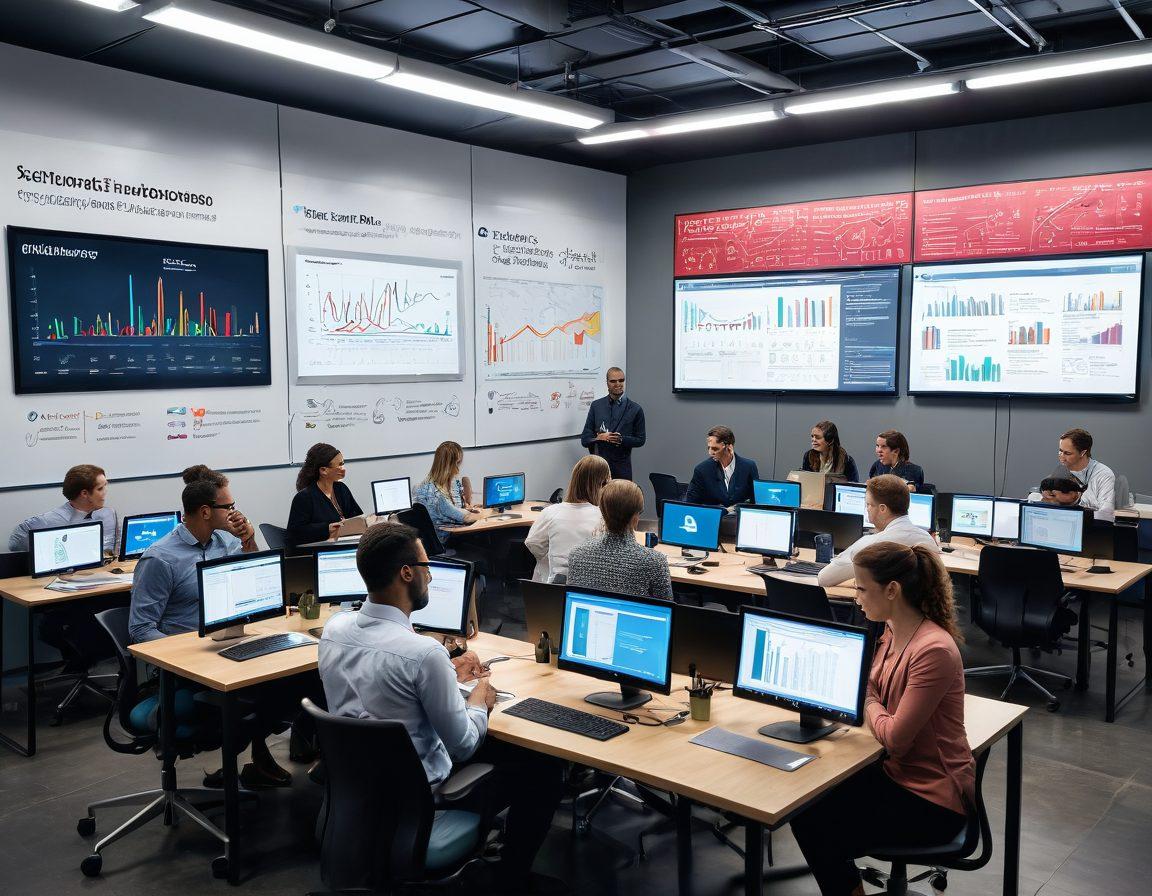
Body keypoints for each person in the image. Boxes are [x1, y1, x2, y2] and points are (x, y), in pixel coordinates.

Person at [319, 523, 564, 895]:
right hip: (421, 795)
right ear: (406, 574)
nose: (430, 576)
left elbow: (386, 690)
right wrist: (480, 697)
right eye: (426, 567)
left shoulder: (335, 630)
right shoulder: (423, 653)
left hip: (363, 786)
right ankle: (508, 880)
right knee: (544, 768)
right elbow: (464, 743)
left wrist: (446, 674)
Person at [791, 541, 974, 896]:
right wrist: (871, 699)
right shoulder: (893, 630)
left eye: (861, 587)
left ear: (892, 590)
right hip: (897, 773)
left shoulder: (933, 648)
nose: (855, 596)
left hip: (932, 799)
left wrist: (867, 699)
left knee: (815, 823)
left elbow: (894, 736)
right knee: (805, 798)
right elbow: (874, 697)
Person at [128, 466, 293, 787]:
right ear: (205, 511)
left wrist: (248, 541)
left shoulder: (224, 542)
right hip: (187, 667)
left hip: (230, 644)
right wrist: (189, 659)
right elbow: (140, 629)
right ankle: (241, 765)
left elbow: (252, 587)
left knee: (293, 682)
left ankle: (255, 758)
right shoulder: (160, 559)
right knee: (262, 695)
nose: (235, 512)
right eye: (228, 507)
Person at [817, 475, 939, 588]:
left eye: (868, 504)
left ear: (882, 509)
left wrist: (858, 582)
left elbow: (824, 578)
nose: (866, 509)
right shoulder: (928, 540)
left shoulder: (872, 544)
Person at [568, 480, 672, 599]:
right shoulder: (655, 562)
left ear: (602, 511)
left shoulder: (577, 554)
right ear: (635, 517)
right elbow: (665, 609)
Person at [524, 455, 610, 583]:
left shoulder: (550, 512)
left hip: (553, 588)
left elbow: (533, 543)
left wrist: (553, 558)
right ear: (603, 484)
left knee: (541, 568)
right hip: (589, 587)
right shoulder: (604, 517)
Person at [9, 463, 118, 554]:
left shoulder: (109, 515)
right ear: (84, 493)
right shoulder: (47, 521)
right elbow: (15, 543)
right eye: (100, 488)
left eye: (105, 486)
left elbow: (115, 548)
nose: (105, 491)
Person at [286, 443, 363, 549]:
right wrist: (327, 528)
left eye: (343, 463)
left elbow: (357, 517)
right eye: (339, 465)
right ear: (323, 470)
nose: (343, 469)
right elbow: (295, 534)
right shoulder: (304, 498)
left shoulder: (341, 488)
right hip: (321, 551)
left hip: (346, 545)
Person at [580, 367, 646, 480]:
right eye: (613, 381)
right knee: (597, 497)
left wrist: (621, 439)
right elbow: (585, 439)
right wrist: (599, 438)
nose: (618, 384)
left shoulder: (635, 409)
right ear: (607, 383)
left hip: (622, 469)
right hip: (598, 468)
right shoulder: (596, 406)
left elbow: (641, 439)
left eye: (621, 380)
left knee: (621, 497)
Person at [413, 441, 485, 544]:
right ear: (450, 465)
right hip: (447, 541)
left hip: (450, 535)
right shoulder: (436, 493)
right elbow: (467, 518)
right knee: (497, 536)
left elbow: (451, 510)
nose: (458, 469)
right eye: (457, 463)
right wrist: (487, 513)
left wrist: (468, 509)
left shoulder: (430, 485)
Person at [685, 425, 760, 508]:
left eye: (715, 449)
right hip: (714, 518)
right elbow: (690, 502)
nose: (710, 453)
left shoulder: (749, 467)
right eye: (708, 448)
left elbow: (756, 501)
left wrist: (737, 508)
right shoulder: (702, 470)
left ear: (729, 448)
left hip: (738, 518)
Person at [1053, 428, 1116, 517]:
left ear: (1083, 453)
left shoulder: (1104, 474)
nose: (1061, 457)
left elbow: (1105, 512)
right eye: (1060, 451)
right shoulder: (1060, 473)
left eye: (1067, 453)